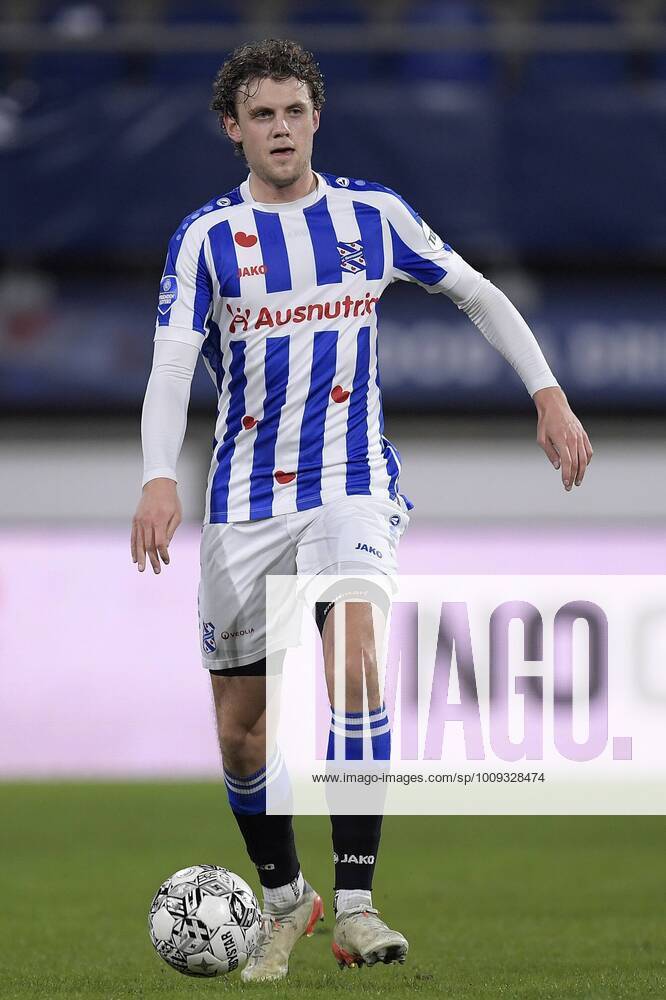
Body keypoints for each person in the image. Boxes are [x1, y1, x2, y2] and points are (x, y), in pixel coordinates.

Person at [130, 38, 592, 982]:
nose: (282, 129)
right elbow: (172, 364)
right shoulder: (208, 237)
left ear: (316, 118)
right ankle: (286, 898)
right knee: (242, 731)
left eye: (295, 111)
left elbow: (477, 293)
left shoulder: (371, 218)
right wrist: (157, 476)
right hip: (243, 505)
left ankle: (355, 906)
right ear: (234, 129)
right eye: (263, 115)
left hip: (352, 486)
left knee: (357, 659)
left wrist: (548, 393)